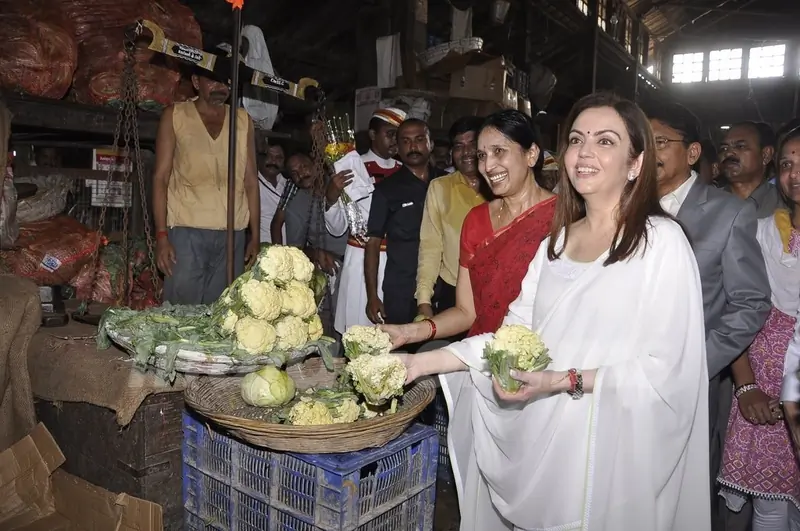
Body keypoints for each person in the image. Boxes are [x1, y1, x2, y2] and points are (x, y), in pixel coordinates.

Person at [393, 92, 710, 531]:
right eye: (577, 139)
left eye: (605, 141)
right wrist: (416, 362)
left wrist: (562, 380)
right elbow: (512, 338)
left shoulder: (660, 242)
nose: (584, 153)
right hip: (550, 438)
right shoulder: (555, 246)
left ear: (635, 162)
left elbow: (667, 370)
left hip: (610, 444)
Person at [647, 103, 771, 531]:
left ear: (693, 152)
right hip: (624, 374)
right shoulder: (621, 205)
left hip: (692, 380)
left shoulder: (727, 213)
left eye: (660, 142)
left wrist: (698, 361)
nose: (648, 150)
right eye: (641, 141)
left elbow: (751, 302)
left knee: (683, 491)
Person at [382, 110, 555, 346]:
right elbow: (466, 312)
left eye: (499, 151)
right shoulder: (476, 220)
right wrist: (410, 332)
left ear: (531, 154)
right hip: (482, 353)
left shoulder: (563, 218)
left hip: (544, 355)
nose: (488, 165)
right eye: (482, 155)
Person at [719, 125, 800, 531]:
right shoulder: (764, 232)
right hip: (762, 383)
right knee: (770, 509)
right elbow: (738, 310)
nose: (795, 174)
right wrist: (747, 385)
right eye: (787, 164)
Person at [153, 73, 260, 305]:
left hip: (233, 234)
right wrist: (162, 236)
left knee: (222, 315)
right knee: (181, 316)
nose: (220, 85)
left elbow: (251, 180)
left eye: (225, 80)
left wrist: (255, 236)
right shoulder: (175, 115)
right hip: (186, 232)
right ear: (195, 82)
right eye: (212, 80)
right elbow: (160, 178)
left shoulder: (242, 120)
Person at [324, 108, 406, 334]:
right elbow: (337, 228)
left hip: (396, 261)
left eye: (399, 136)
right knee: (358, 333)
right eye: (390, 134)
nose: (395, 141)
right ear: (372, 134)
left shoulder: (406, 171)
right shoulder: (350, 167)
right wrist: (331, 197)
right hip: (360, 258)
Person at [365, 118, 445, 325]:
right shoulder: (386, 190)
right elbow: (373, 243)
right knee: (402, 353)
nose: (413, 146)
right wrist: (372, 296)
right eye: (406, 141)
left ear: (430, 143)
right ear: (398, 148)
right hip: (402, 289)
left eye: (419, 139)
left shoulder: (447, 184)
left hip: (445, 285)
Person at [415, 116, 487, 321]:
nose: (466, 152)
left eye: (472, 144)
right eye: (458, 146)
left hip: (495, 292)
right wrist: (423, 301)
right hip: (453, 292)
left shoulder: (501, 188)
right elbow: (430, 246)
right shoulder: (440, 188)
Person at [719, 121, 782, 218]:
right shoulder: (707, 203)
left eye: (740, 146)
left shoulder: (785, 204)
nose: (728, 154)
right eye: (724, 148)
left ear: (766, 155)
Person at [257, 143, 286, 243]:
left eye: (279, 158)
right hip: (263, 249)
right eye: (269, 156)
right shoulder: (251, 185)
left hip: (292, 250)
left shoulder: (289, 184)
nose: (273, 161)